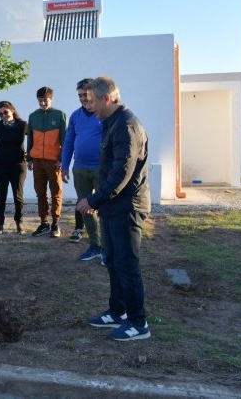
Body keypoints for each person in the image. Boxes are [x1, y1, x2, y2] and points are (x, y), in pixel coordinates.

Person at [76, 76, 151, 341]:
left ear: (107, 98)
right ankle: (117, 312)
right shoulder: (110, 123)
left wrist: (93, 199)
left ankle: (138, 323)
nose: (89, 106)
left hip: (126, 207)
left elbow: (121, 172)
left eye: (93, 100)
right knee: (112, 262)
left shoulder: (126, 126)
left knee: (127, 265)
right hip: (112, 207)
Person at [61, 78, 104, 261]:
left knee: (105, 209)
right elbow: (69, 142)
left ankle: (109, 248)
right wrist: (64, 166)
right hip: (80, 169)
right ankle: (95, 245)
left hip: (101, 169)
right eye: (80, 95)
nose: (83, 99)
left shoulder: (103, 114)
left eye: (86, 94)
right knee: (85, 207)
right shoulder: (75, 116)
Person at [27, 86, 68, 238]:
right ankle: (44, 222)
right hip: (37, 160)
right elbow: (29, 138)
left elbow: (65, 140)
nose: (43, 103)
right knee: (40, 192)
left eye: (45, 100)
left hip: (53, 161)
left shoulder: (60, 115)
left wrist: (62, 159)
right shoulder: (33, 116)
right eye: (40, 101)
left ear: (52, 99)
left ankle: (55, 223)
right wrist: (29, 158)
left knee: (56, 192)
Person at [0, 101, 27, 235]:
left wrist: (30, 153)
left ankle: (19, 222)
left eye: (5, 112)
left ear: (12, 110)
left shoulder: (22, 125)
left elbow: (34, 137)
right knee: (1, 195)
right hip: (1, 165)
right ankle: (0, 224)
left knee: (18, 195)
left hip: (18, 165)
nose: (3, 115)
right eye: (0, 113)